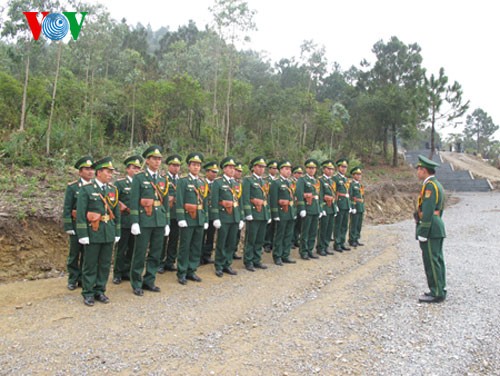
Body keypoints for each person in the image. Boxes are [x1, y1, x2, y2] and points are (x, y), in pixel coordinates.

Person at [76, 157, 120, 306]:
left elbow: (116, 213)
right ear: (99, 172)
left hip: (108, 231)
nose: (110, 175)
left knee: (105, 264)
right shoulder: (87, 189)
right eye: (108, 172)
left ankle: (100, 290)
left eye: (111, 172)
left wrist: (117, 231)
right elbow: (81, 214)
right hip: (93, 232)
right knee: (90, 263)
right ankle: (88, 292)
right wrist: (82, 234)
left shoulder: (112, 190)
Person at [129, 145, 170, 296]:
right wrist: (134, 221)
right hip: (144, 220)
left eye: (159, 159)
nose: (158, 161)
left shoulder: (162, 179)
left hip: (159, 220)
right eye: (154, 159)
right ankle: (136, 282)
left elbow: (165, 203)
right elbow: (134, 200)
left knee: (156, 253)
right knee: (140, 253)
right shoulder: (139, 178)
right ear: (147, 160)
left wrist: (166, 222)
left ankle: (149, 281)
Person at [415, 155, 447, 303]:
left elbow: (428, 209)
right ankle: (439, 288)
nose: (417, 172)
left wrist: (423, 230)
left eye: (419, 169)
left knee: (432, 260)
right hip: (436, 224)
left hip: (431, 227)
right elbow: (439, 208)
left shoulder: (430, 186)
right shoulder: (437, 184)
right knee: (437, 259)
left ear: (424, 170)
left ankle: (436, 293)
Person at [176, 153, 209, 285]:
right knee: (185, 246)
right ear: (189, 166)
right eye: (194, 165)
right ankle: (182, 271)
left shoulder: (202, 182)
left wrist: (206, 218)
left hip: (200, 218)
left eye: (198, 165)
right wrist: (181, 218)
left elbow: (205, 202)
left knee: (196, 246)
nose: (196, 167)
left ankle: (192, 270)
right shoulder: (183, 181)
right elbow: (179, 200)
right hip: (188, 218)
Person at [63, 156, 94, 290]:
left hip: (90, 225)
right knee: (75, 253)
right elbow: (67, 208)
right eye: (86, 169)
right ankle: (73, 278)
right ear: (80, 172)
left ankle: (83, 279)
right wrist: (68, 225)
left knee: (88, 254)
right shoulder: (73, 187)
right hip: (76, 224)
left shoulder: (95, 187)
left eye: (92, 169)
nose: (90, 172)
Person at [211, 157, 244, 277]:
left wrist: (241, 218)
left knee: (231, 242)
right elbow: (214, 201)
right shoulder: (218, 182)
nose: (232, 170)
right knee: (222, 242)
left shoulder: (236, 183)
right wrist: (216, 217)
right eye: (229, 167)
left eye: (233, 168)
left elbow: (239, 201)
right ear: (224, 169)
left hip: (234, 217)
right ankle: (219, 265)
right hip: (223, 217)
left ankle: (227, 264)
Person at [112, 155, 143, 284]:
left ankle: (127, 271)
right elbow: (112, 198)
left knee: (133, 248)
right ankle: (117, 273)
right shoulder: (120, 183)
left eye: (138, 168)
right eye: (133, 168)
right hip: (124, 220)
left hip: (137, 221)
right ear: (127, 169)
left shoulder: (141, 183)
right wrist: (120, 205)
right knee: (121, 248)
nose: (136, 170)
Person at [242, 156, 271, 271]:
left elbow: (266, 199)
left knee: (260, 239)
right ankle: (248, 261)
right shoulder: (248, 180)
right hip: (253, 214)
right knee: (251, 239)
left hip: (263, 213)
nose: (261, 169)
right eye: (259, 167)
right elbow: (246, 197)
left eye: (263, 167)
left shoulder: (264, 181)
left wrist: (268, 214)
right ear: (253, 167)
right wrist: (248, 212)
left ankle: (257, 259)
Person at [159, 154, 183, 273]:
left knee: (174, 238)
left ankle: (170, 261)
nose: (176, 168)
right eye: (173, 165)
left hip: (177, 214)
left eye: (178, 166)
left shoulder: (181, 180)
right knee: (163, 239)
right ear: (169, 166)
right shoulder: (163, 179)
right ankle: (160, 262)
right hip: (165, 213)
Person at [270, 160, 297, 265]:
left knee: (288, 235)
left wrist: (294, 212)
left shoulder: (290, 182)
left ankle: (286, 255)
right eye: (286, 169)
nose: (288, 171)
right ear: (280, 170)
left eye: (290, 169)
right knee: (279, 235)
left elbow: (293, 199)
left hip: (290, 212)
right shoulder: (276, 182)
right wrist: (275, 214)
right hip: (281, 213)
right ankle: (277, 256)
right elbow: (273, 200)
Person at [295, 158, 321, 260]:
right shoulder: (302, 179)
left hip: (315, 209)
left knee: (313, 231)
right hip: (307, 208)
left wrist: (319, 209)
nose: (311, 170)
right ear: (306, 168)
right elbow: (299, 193)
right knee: (305, 231)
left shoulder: (316, 180)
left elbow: (318, 196)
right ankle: (303, 251)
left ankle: (310, 250)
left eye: (313, 168)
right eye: (310, 168)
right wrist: (302, 208)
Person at [201, 161, 219, 265]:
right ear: (207, 172)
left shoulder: (216, 184)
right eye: (212, 172)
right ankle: (199, 256)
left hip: (212, 214)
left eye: (216, 172)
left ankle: (207, 255)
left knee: (210, 236)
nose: (214, 174)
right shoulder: (202, 182)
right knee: (201, 236)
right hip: (203, 213)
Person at [317, 160, 336, 256]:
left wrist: (335, 207)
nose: (330, 171)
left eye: (332, 169)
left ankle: (326, 245)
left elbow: (334, 195)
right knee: (323, 229)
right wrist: (321, 208)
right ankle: (320, 247)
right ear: (324, 169)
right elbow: (320, 195)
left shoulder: (332, 181)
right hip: (325, 207)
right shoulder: (320, 180)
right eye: (328, 169)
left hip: (331, 207)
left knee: (329, 228)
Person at [333, 158, 352, 252]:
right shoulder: (335, 178)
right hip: (339, 204)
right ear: (338, 167)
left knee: (345, 225)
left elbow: (348, 192)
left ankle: (342, 242)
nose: (344, 169)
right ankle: (337, 243)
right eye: (342, 167)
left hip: (346, 204)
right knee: (338, 225)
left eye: (345, 167)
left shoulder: (346, 179)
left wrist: (350, 205)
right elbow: (334, 192)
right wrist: (335, 204)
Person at [263, 159, 279, 253]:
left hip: (277, 205)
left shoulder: (277, 180)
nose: (275, 170)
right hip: (268, 204)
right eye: (273, 168)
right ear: (269, 169)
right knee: (268, 226)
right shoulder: (265, 180)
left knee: (275, 225)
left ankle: (273, 242)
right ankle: (267, 243)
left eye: (276, 168)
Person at [348, 166, 365, 247]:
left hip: (360, 206)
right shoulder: (351, 184)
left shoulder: (360, 185)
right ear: (353, 175)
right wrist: (352, 206)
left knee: (359, 224)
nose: (359, 176)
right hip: (355, 206)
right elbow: (350, 196)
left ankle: (356, 238)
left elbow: (362, 196)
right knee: (353, 224)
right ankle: (352, 239)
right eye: (357, 174)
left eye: (360, 174)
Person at [232, 162, 244, 260]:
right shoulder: (228, 182)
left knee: (237, 234)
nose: (239, 173)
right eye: (237, 171)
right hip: (228, 213)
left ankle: (233, 251)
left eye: (240, 171)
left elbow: (241, 201)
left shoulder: (239, 184)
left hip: (237, 213)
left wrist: (242, 217)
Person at [291, 166, 304, 249]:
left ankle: (296, 239)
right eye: (298, 173)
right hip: (293, 205)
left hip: (300, 205)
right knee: (293, 224)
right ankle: (291, 241)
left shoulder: (302, 182)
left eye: (301, 173)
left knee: (299, 224)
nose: (299, 175)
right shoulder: (291, 182)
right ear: (294, 174)